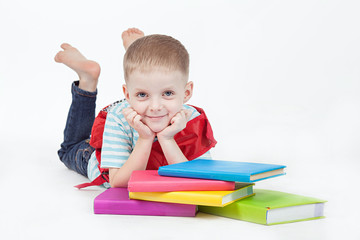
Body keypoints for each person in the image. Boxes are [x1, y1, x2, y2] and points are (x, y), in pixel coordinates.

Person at [56, 28, 216, 188]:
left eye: (168, 93)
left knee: (144, 82)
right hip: (99, 159)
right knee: (70, 149)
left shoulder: (192, 118)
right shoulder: (118, 117)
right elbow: (119, 183)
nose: (155, 107)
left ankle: (138, 53)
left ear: (187, 93)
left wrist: (167, 139)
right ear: (127, 94)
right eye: (142, 94)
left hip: (138, 103)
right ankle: (87, 80)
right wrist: (145, 139)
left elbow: (197, 181)